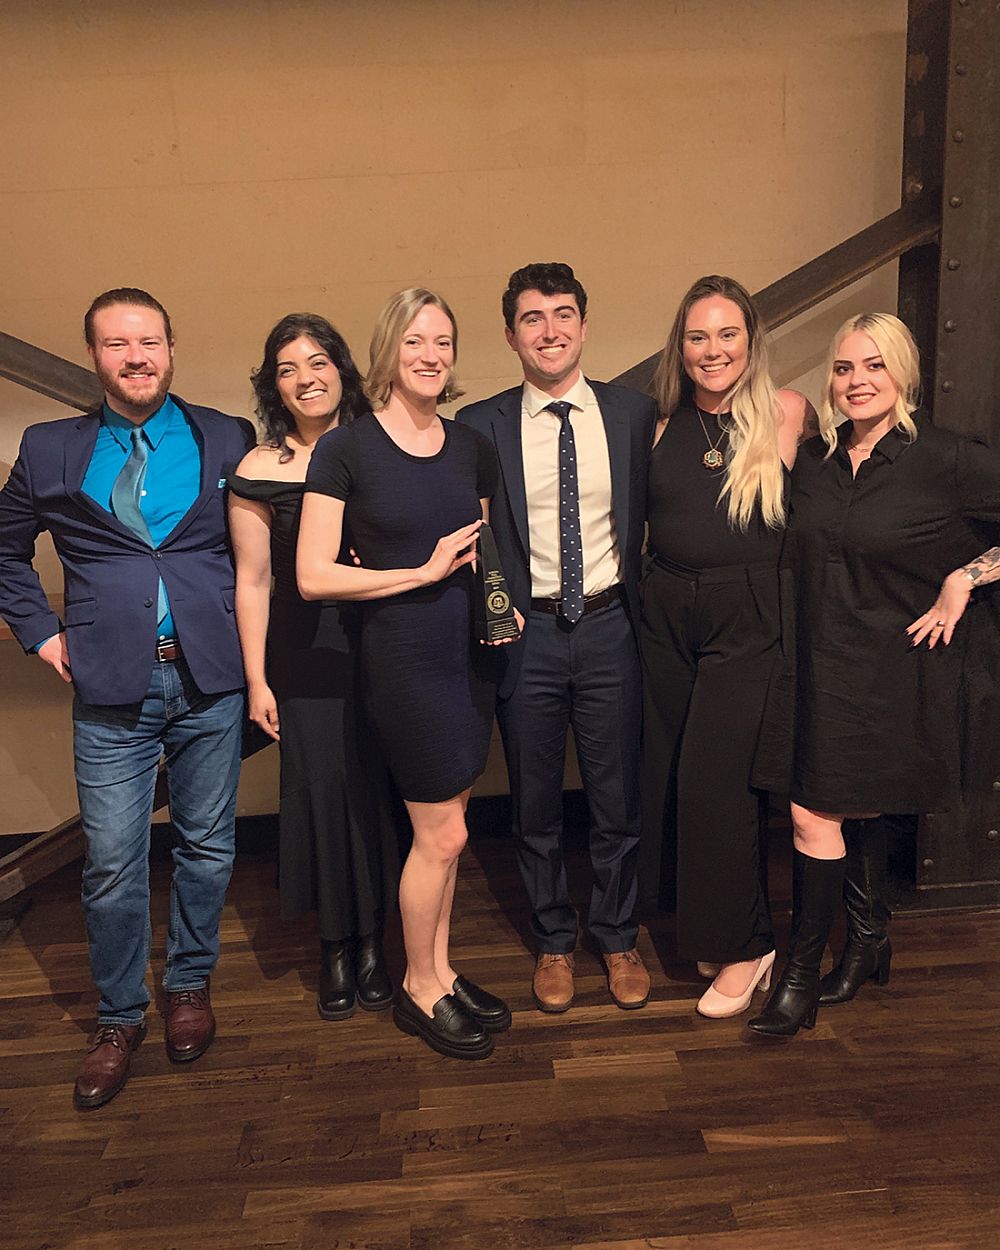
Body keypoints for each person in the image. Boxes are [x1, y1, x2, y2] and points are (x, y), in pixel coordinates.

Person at [0, 288, 254, 1108]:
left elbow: (264, 548)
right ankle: (120, 1016)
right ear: (96, 357)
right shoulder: (48, 449)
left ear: (172, 349)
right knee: (111, 862)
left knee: (207, 848)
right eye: (117, 344)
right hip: (112, 686)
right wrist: (41, 634)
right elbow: (5, 551)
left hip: (210, 677)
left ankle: (187, 987)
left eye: (148, 341)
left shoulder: (227, 437)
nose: (135, 356)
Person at [749, 312, 1000, 1037]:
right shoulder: (819, 460)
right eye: (844, 368)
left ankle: (799, 977)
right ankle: (866, 942)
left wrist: (967, 577)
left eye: (874, 366)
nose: (856, 382)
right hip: (818, 664)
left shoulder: (946, 459)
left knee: (814, 812)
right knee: (841, 808)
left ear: (904, 375)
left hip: (895, 670)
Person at [296, 288, 512, 1060]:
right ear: (391, 350)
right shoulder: (346, 450)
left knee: (447, 835)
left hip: (469, 658)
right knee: (443, 831)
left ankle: (442, 970)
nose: (432, 355)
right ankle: (419, 986)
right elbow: (314, 575)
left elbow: (479, 551)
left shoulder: (469, 445)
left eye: (445, 343)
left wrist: (499, 607)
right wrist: (415, 574)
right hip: (404, 660)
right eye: (418, 341)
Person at [458, 263, 658, 1014]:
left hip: (611, 627)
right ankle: (551, 939)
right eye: (534, 318)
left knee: (616, 799)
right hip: (527, 635)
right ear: (511, 334)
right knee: (534, 801)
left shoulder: (634, 414)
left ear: (584, 322)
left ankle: (616, 936)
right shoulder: (480, 424)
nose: (551, 330)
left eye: (564, 314)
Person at [639, 275, 815, 1019]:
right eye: (698, 336)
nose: (712, 350)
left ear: (751, 340)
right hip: (665, 609)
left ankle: (749, 947)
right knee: (674, 775)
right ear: (679, 347)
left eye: (727, 334)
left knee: (721, 783)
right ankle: (708, 926)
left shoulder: (786, 413)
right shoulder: (656, 424)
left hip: (748, 615)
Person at [228, 313, 401, 1021]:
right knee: (321, 792)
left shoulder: (382, 445)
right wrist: (256, 680)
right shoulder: (258, 467)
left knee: (378, 793)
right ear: (274, 384)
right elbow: (252, 580)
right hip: (303, 657)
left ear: (342, 367)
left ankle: (377, 945)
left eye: (319, 360)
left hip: (387, 645)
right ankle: (336, 944)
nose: (307, 377)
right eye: (289, 367)